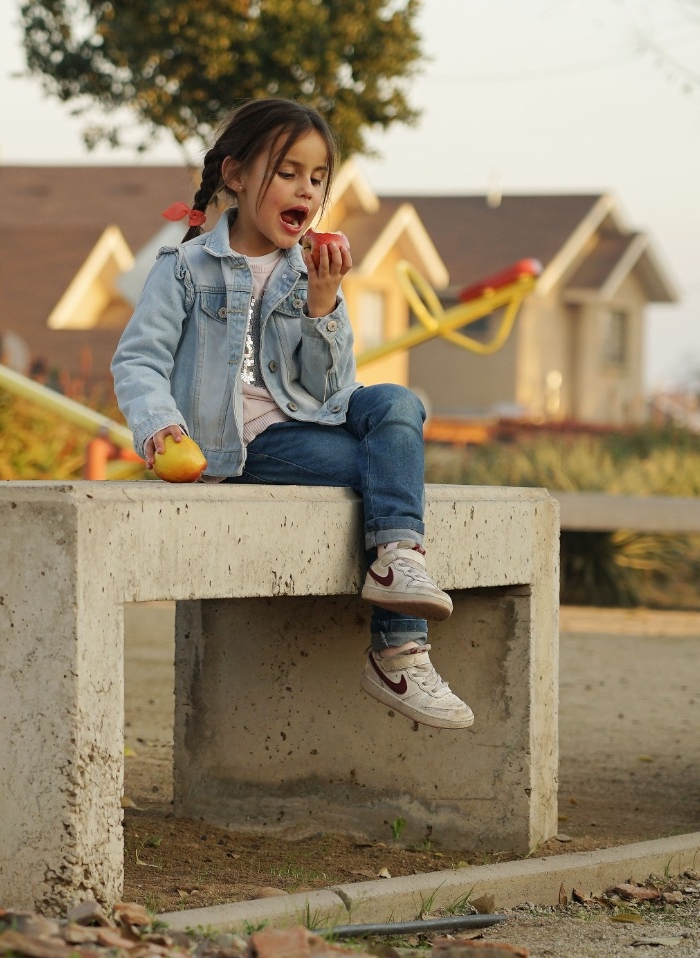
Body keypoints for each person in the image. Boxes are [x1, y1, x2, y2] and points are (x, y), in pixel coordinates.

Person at [111, 98, 472, 730]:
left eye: (316, 177)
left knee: (399, 402)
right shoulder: (184, 269)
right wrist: (159, 428)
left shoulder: (307, 269)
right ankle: (400, 650)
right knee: (376, 470)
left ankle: (397, 561)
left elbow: (333, 390)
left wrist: (323, 305)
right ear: (236, 175)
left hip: (309, 422)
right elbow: (138, 361)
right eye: (287, 172)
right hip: (241, 445)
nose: (305, 188)